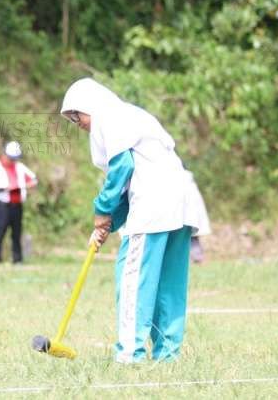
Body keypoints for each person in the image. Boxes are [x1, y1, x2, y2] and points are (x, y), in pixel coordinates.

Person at [60, 77, 201, 363]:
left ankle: (129, 353)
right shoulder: (132, 115)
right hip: (181, 201)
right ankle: (167, 356)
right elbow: (131, 182)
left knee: (134, 277)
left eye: (77, 116)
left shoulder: (108, 116)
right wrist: (107, 223)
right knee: (167, 282)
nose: (79, 124)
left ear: (89, 106)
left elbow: (122, 168)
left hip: (154, 204)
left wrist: (101, 209)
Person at [0, 141, 38, 263]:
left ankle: (17, 260)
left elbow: (33, 179)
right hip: (3, 205)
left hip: (17, 205)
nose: (13, 161)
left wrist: (28, 185)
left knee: (17, 234)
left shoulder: (20, 167)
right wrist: (3, 188)